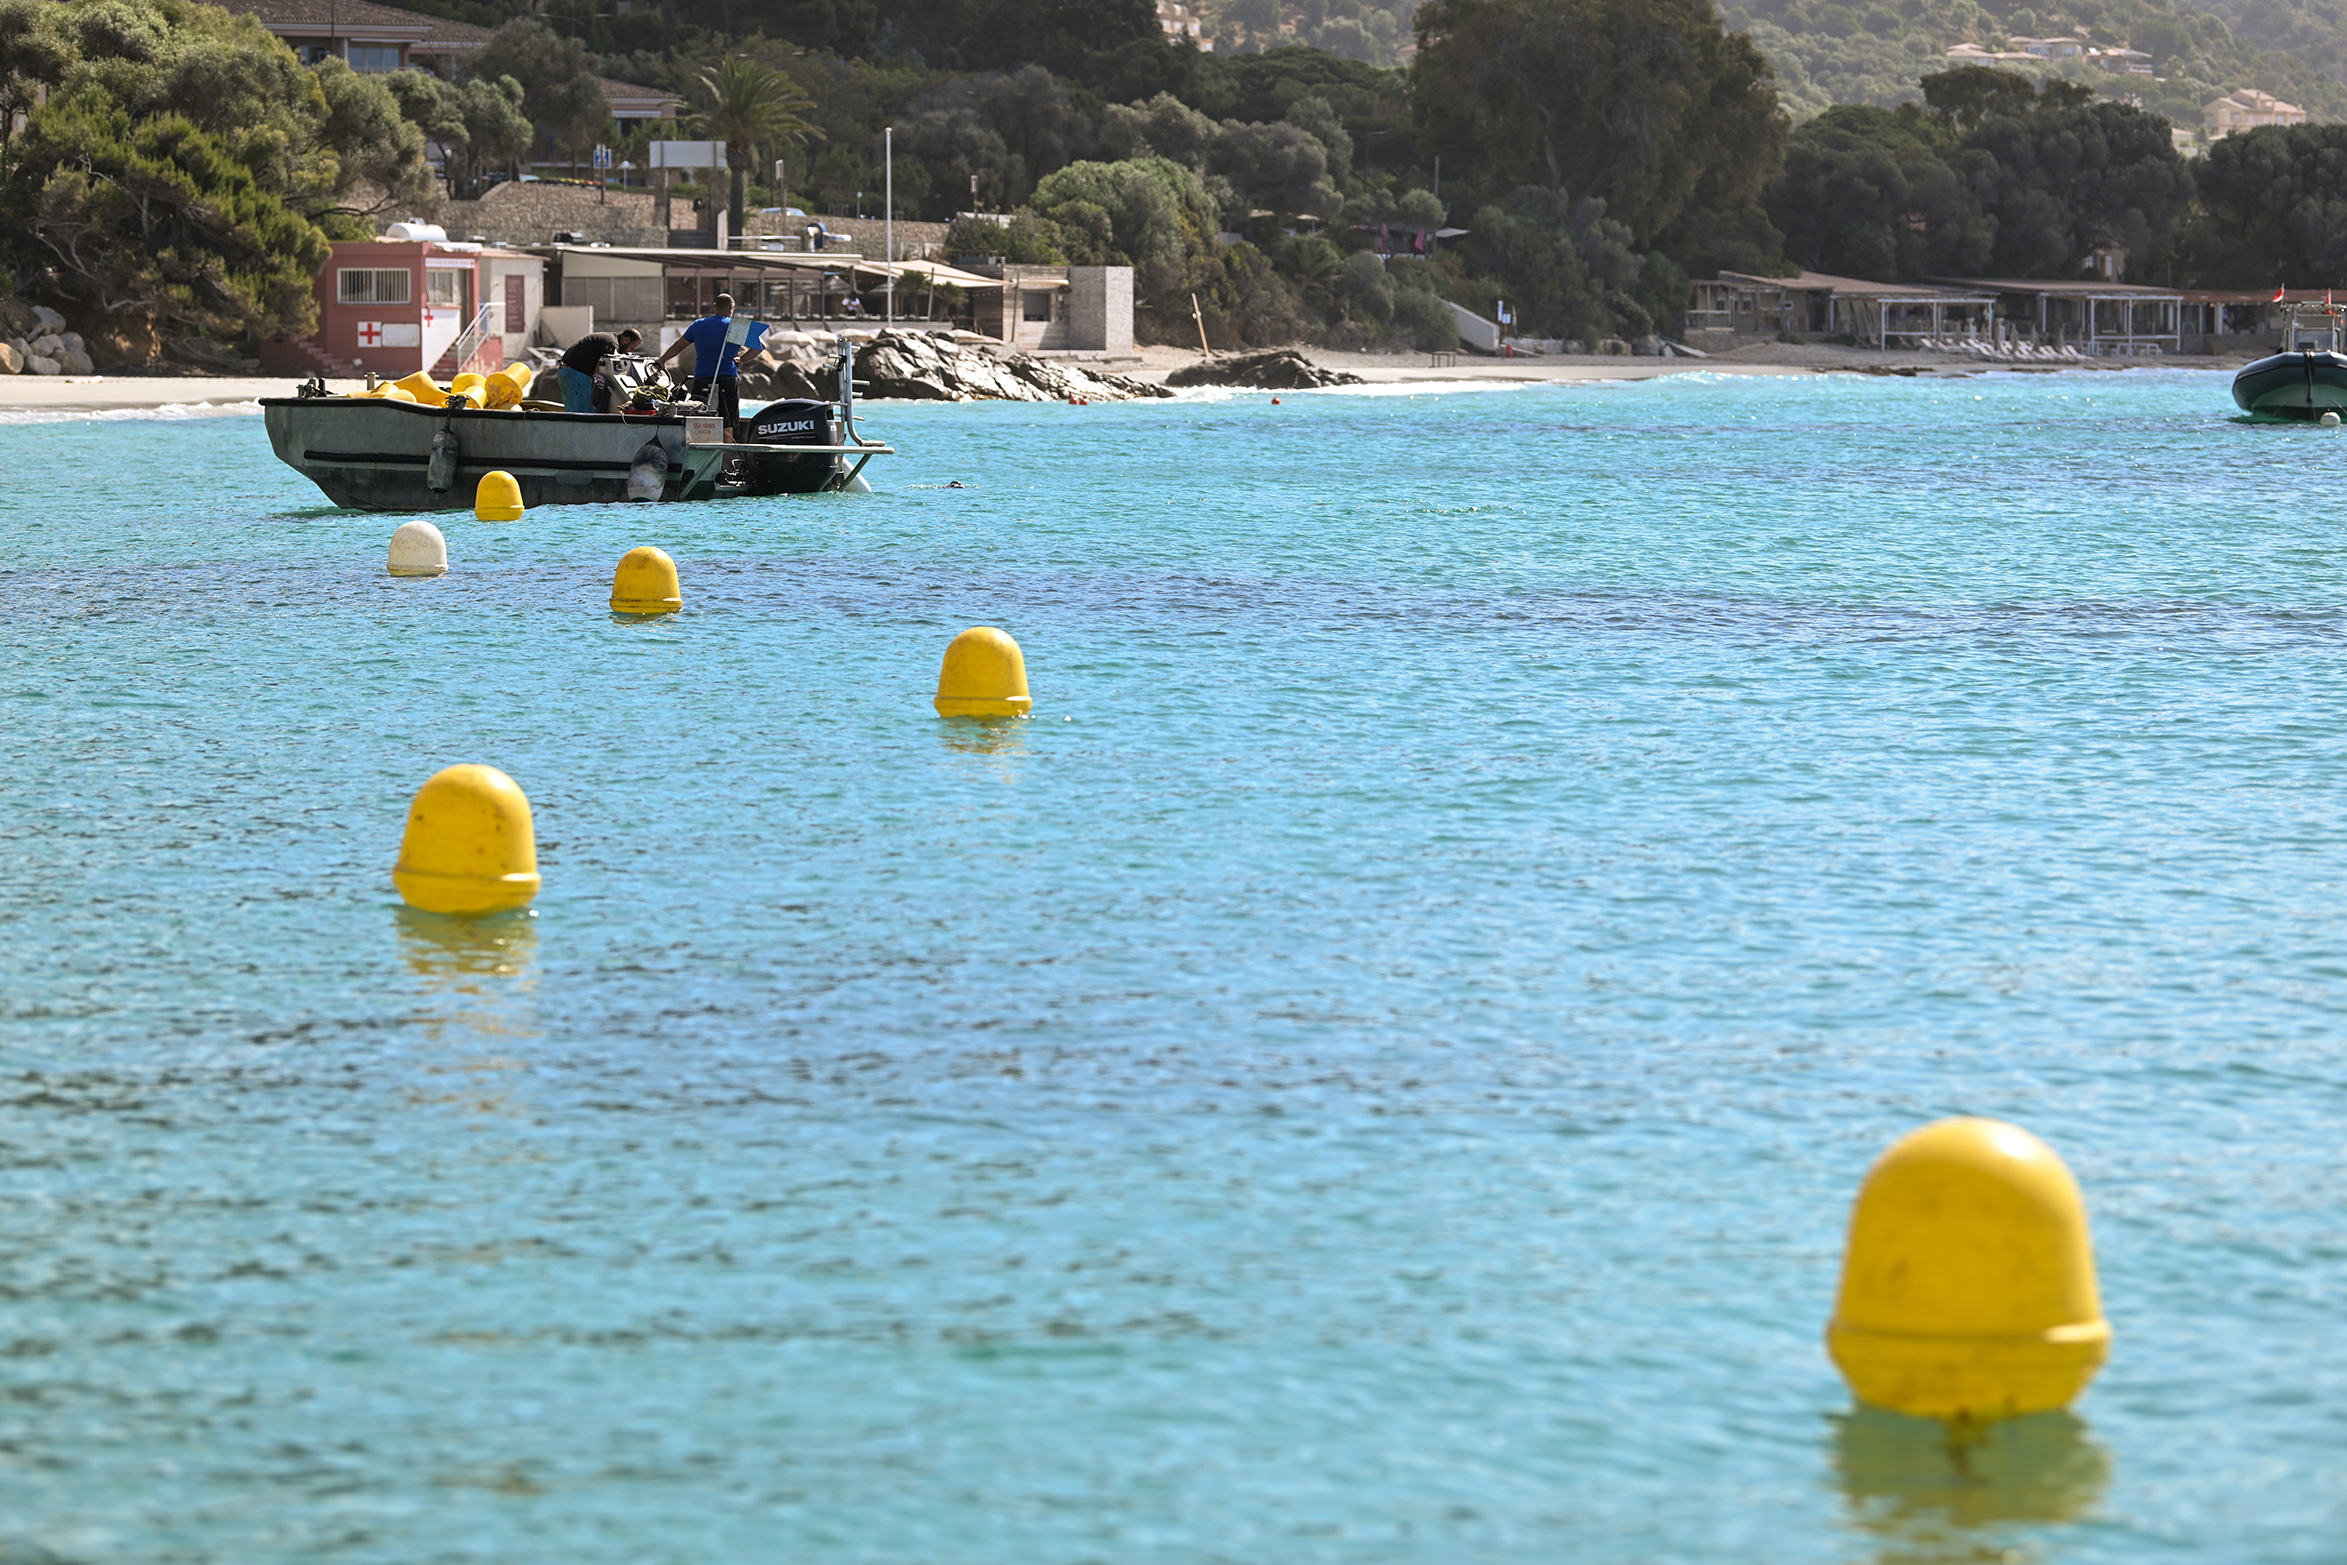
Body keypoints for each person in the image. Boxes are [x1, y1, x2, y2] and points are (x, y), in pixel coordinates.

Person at [653, 294, 764, 428]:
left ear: (714, 307)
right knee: (728, 420)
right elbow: (760, 346)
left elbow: (678, 346)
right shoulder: (735, 326)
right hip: (727, 377)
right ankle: (727, 447)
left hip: (702, 376)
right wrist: (742, 360)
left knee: (698, 414)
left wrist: (662, 360)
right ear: (731, 308)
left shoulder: (699, 324)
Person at [556, 327, 640, 413]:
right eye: (632, 348)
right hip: (577, 375)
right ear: (626, 340)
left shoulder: (610, 338)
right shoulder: (611, 345)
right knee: (583, 415)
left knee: (573, 410)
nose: (630, 351)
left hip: (565, 372)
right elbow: (600, 368)